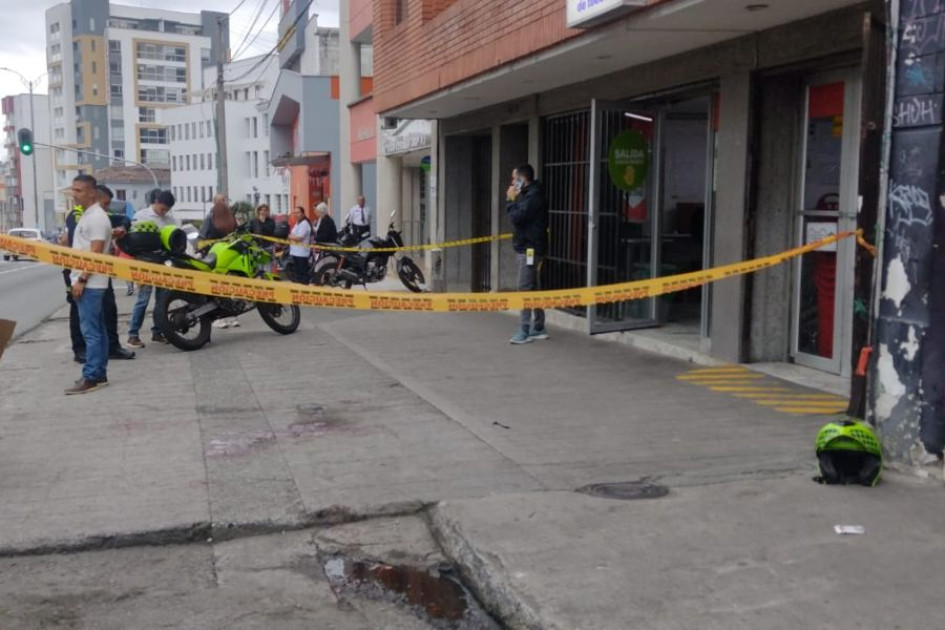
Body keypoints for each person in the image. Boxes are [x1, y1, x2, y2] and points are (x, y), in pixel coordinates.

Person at [60, 189, 136, 363]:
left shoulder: (101, 215)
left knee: (108, 309)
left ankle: (112, 347)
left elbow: (125, 219)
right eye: (106, 203)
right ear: (95, 197)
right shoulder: (79, 215)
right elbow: (78, 244)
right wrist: (81, 279)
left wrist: (122, 228)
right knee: (79, 312)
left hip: (99, 272)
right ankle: (80, 350)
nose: (108, 207)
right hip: (77, 272)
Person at [65, 175, 112, 394]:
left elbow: (95, 254)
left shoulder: (97, 219)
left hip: (91, 284)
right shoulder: (88, 216)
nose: (74, 194)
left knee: (91, 333)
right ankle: (99, 373)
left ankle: (91, 376)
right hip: (90, 282)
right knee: (98, 331)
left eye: (79, 190)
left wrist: (82, 280)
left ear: (92, 192)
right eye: (73, 190)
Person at [127, 190, 179, 348]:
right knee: (143, 300)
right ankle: (133, 335)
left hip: (164, 263)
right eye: (162, 209)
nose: (164, 212)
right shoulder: (141, 216)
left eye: (167, 210)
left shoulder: (170, 219)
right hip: (145, 263)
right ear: (156, 202)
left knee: (162, 301)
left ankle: (158, 331)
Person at [506, 164, 550, 345]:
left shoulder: (533, 197)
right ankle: (538, 326)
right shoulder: (529, 195)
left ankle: (524, 330)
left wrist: (509, 200)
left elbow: (518, 218)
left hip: (530, 249)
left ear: (522, 179)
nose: (511, 183)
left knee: (524, 288)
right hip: (529, 246)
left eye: (514, 179)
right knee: (533, 287)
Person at [288, 205, 312, 284]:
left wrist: (288, 236)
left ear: (303, 214)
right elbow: (294, 236)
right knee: (298, 273)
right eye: (294, 213)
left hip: (302, 253)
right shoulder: (297, 223)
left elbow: (299, 238)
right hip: (295, 251)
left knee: (303, 273)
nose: (296, 214)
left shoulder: (304, 224)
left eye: (298, 212)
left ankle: (304, 288)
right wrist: (292, 237)